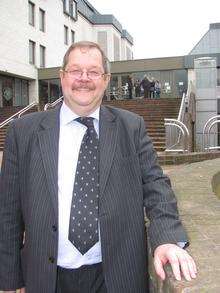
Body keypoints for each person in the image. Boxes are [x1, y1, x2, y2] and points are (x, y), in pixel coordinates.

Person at [0, 41, 197, 293]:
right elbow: (7, 211)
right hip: (45, 277)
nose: (84, 79)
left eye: (93, 72)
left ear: (105, 80)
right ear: (62, 77)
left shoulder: (132, 127)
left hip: (117, 276)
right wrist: (9, 281)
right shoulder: (23, 132)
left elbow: (157, 188)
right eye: (75, 71)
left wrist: (167, 239)